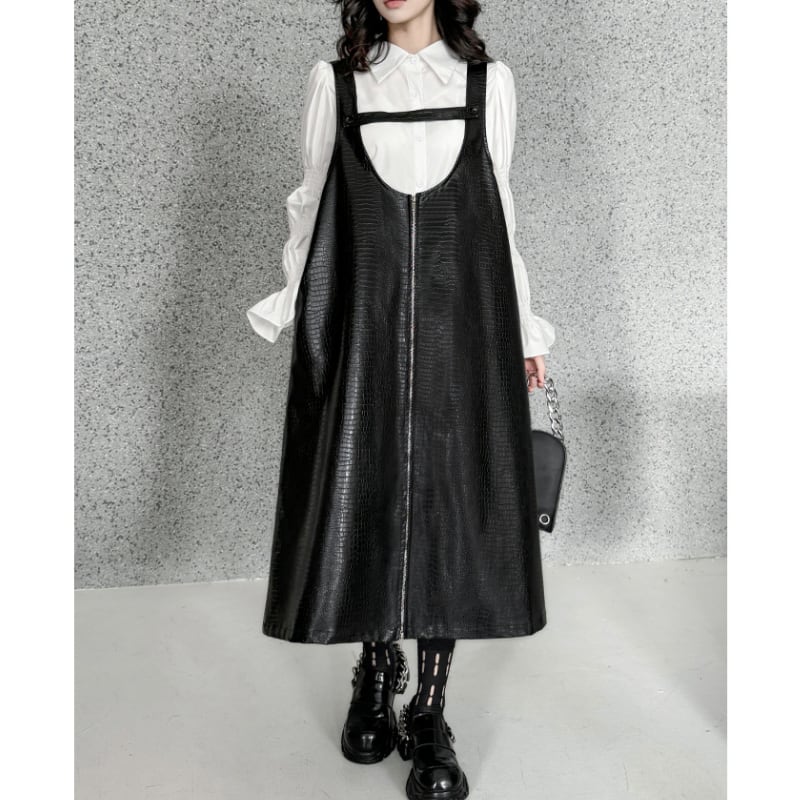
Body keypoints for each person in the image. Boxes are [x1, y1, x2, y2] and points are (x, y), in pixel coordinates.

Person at [245, 1, 556, 798]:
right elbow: (311, 200)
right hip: (365, 322)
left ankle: (430, 710)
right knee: (371, 487)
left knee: (451, 503)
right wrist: (290, 304)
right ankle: (376, 666)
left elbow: (501, 209)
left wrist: (526, 331)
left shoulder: (488, 83)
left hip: (464, 324)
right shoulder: (338, 83)